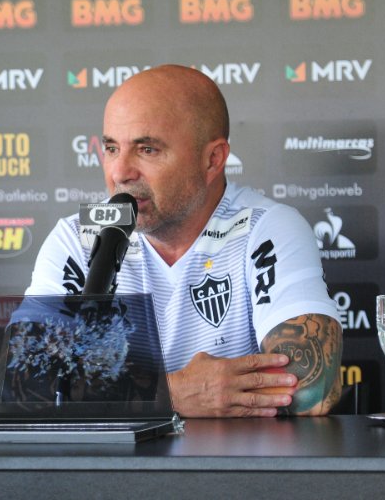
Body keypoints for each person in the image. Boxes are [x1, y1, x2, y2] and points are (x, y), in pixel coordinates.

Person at [28, 64, 342, 417]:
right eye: (112, 148)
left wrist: (111, 395)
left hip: (237, 468)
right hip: (111, 470)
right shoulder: (75, 238)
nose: (120, 172)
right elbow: (25, 388)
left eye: (147, 150)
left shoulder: (267, 228)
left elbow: (314, 389)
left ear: (213, 160)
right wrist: (174, 395)